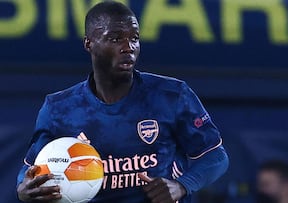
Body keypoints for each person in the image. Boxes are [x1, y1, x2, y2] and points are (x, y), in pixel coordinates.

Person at [16, 1, 229, 203]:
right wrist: (23, 190)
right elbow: (29, 172)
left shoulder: (172, 95)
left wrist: (181, 185)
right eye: (116, 38)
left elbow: (216, 156)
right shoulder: (59, 109)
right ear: (88, 43)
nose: (129, 47)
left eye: (134, 38)